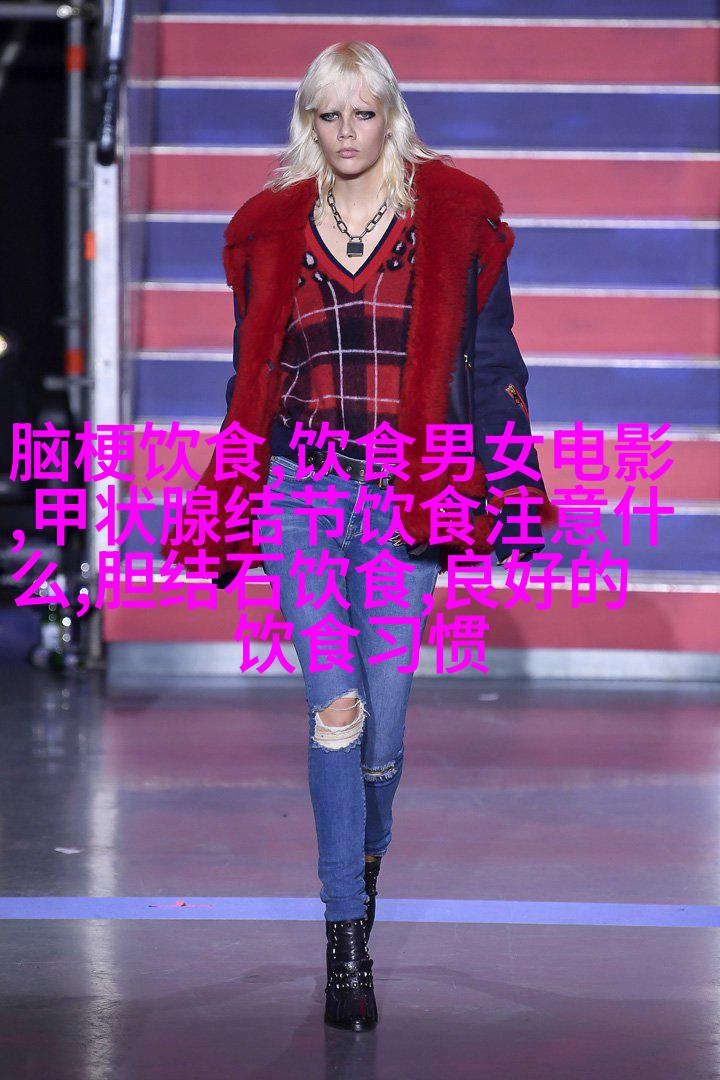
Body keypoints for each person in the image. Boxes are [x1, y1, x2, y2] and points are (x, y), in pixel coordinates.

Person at [162, 40, 552, 1032]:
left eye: (362, 113)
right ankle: (345, 937)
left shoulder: (452, 221)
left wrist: (512, 486)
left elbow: (494, 365)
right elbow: (251, 375)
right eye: (328, 115)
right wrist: (231, 489)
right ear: (310, 121)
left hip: (404, 499)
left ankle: (365, 857)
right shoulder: (270, 228)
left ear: (390, 114)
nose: (346, 133)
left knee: (387, 722)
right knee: (334, 705)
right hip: (302, 490)